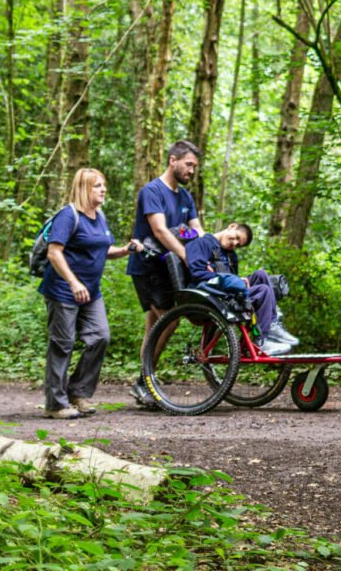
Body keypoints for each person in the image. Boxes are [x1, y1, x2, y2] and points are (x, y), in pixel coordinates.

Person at [39, 168, 131, 419]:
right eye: (97, 186)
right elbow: (54, 252)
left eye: (104, 186)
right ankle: (55, 404)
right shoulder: (68, 216)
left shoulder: (98, 216)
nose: (103, 190)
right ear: (83, 188)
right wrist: (73, 282)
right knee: (62, 344)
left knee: (100, 337)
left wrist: (123, 250)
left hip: (91, 291)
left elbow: (101, 248)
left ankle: (78, 392)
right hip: (63, 290)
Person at [126, 140, 205, 408]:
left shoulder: (185, 197)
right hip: (148, 267)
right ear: (173, 160)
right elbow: (159, 230)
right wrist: (186, 254)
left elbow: (197, 229)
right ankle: (144, 382)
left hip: (170, 270)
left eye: (195, 166)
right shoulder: (152, 191)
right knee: (168, 322)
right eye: (188, 164)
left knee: (154, 326)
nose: (192, 171)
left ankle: (143, 381)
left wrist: (205, 250)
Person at [186, 223, 297, 353]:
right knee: (263, 290)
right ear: (232, 226)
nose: (235, 243)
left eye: (239, 244)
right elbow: (197, 274)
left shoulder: (231, 255)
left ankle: (272, 322)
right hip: (212, 294)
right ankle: (262, 340)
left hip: (227, 292)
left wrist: (238, 280)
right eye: (236, 237)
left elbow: (233, 280)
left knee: (261, 275)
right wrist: (218, 275)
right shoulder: (201, 244)